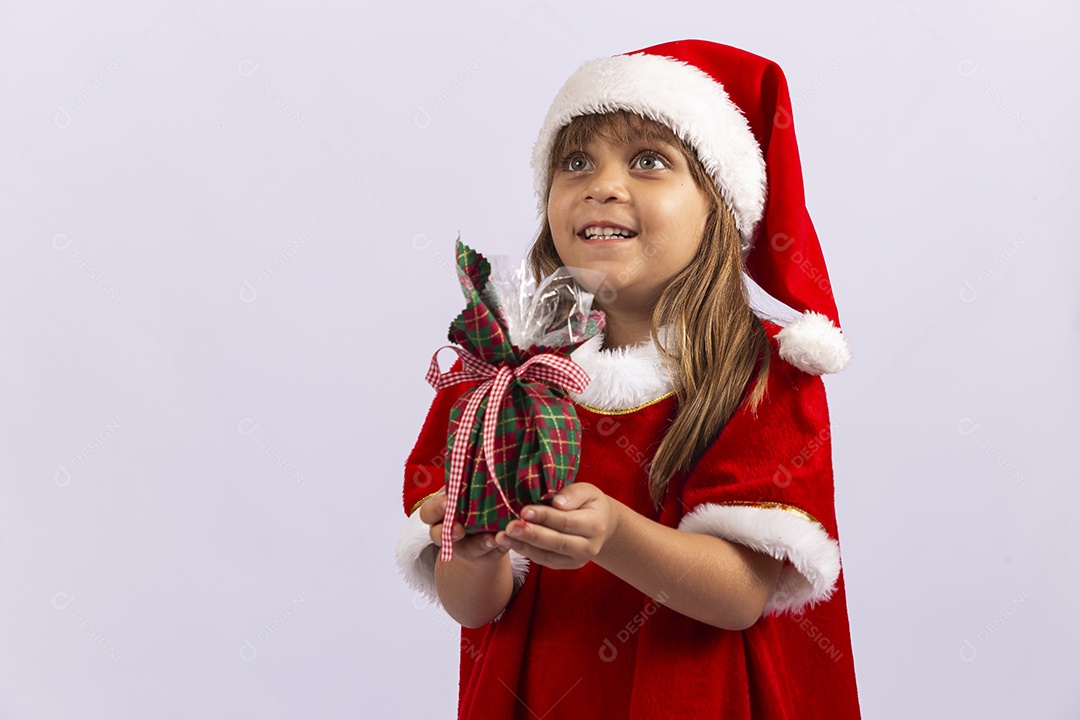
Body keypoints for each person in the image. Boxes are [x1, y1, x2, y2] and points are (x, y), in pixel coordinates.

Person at [395, 39, 861, 719]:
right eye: (575, 162)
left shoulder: (759, 374)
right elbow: (472, 606)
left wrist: (613, 534)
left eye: (648, 161)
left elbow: (740, 596)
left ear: (719, 205)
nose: (602, 185)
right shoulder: (503, 371)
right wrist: (473, 551)